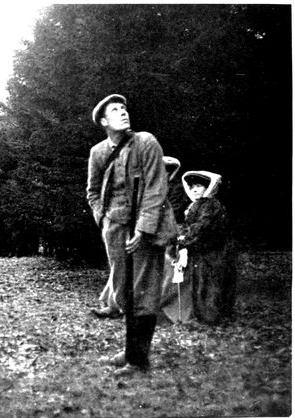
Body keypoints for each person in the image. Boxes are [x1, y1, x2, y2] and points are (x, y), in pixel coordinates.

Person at [86, 94, 176, 376]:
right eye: (115, 110)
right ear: (104, 121)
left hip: (145, 230)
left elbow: (156, 188)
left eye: (124, 108)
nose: (123, 113)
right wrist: (103, 219)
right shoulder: (98, 152)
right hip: (115, 228)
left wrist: (143, 228)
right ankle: (130, 350)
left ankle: (138, 360)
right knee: (123, 292)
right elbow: (92, 192)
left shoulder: (145, 142)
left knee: (143, 292)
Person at [176, 170, 236, 324]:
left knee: (210, 281)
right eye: (191, 187)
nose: (194, 190)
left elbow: (202, 226)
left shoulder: (210, 205)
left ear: (208, 187)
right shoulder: (197, 205)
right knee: (200, 280)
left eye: (198, 186)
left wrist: (184, 238)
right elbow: (190, 226)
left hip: (213, 250)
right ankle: (202, 313)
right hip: (202, 248)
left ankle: (212, 316)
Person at [157, 157, 194, 324]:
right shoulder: (152, 186)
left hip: (172, 229)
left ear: (170, 172)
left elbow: (175, 211)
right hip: (154, 229)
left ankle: (168, 307)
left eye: (165, 171)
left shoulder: (176, 188)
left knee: (171, 266)